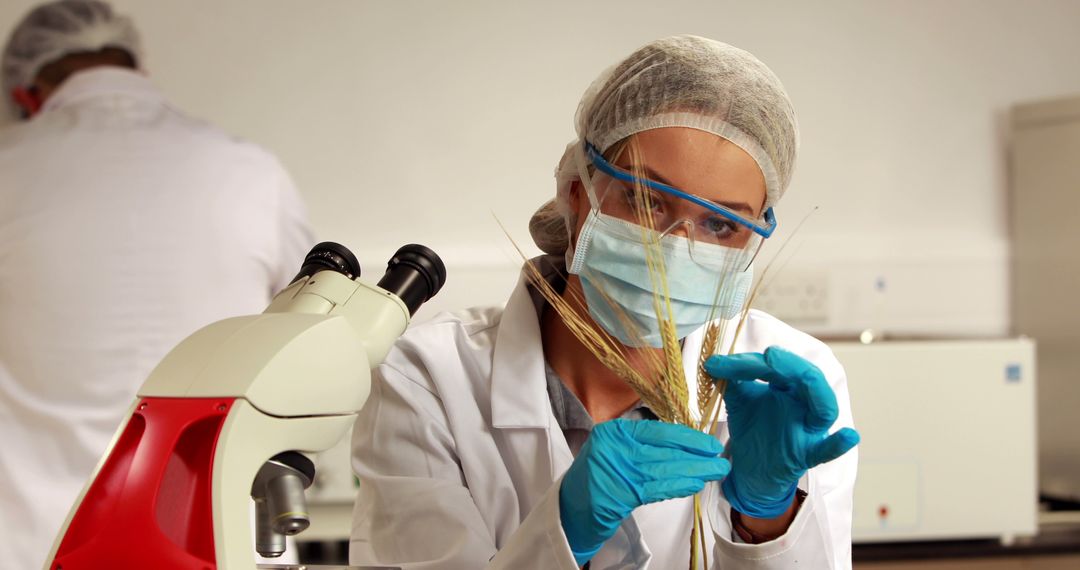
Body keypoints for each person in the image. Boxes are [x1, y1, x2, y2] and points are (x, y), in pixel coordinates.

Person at [349, 35, 859, 569]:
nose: (676, 249)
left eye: (721, 224)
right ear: (579, 193)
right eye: (646, 199)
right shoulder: (429, 378)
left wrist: (768, 518)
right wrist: (563, 531)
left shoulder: (788, 383)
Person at [0, 2, 314, 568]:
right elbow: (310, 330)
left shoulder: (9, 168)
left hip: (39, 538)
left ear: (25, 94)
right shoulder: (250, 170)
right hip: (219, 531)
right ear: (138, 70)